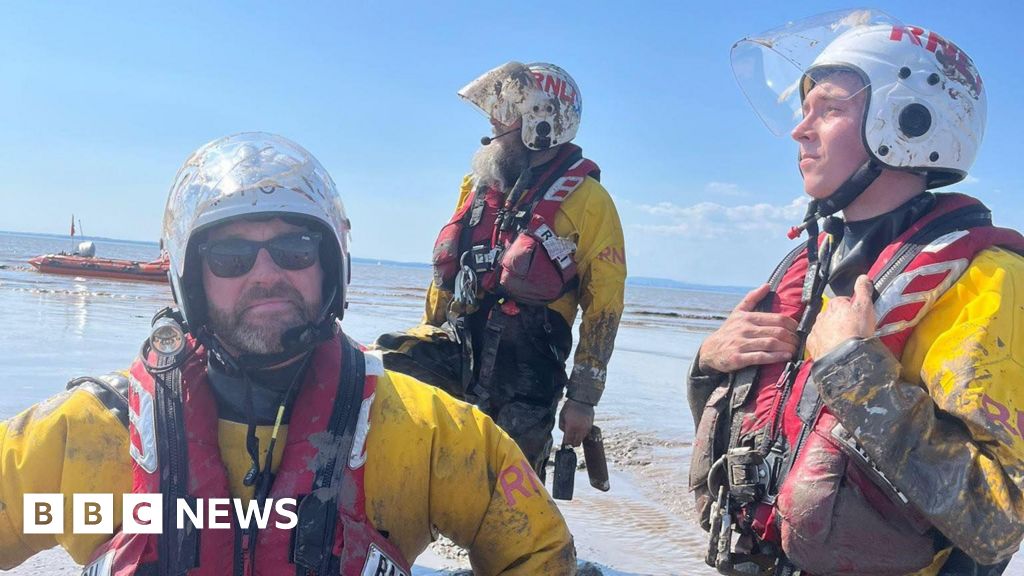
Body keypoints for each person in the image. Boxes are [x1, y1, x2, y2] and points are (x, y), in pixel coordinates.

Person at [0, 133, 576, 575]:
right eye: (230, 256)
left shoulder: (429, 435)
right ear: (190, 277)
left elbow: (537, 551)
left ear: (331, 267)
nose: (267, 274)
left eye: (295, 248)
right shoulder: (84, 437)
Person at [688, 10, 1024, 576]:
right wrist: (709, 366)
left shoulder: (987, 281)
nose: (800, 129)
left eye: (831, 110)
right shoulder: (815, 264)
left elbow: (1000, 517)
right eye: (804, 109)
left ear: (909, 124)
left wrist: (854, 371)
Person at [375, 62, 626, 478]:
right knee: (382, 368)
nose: (493, 120)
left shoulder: (590, 202)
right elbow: (448, 276)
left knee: (511, 489)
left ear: (540, 123)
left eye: (505, 111)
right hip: (458, 344)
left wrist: (582, 398)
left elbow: (605, 306)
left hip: (529, 366)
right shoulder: (475, 185)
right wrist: (428, 330)